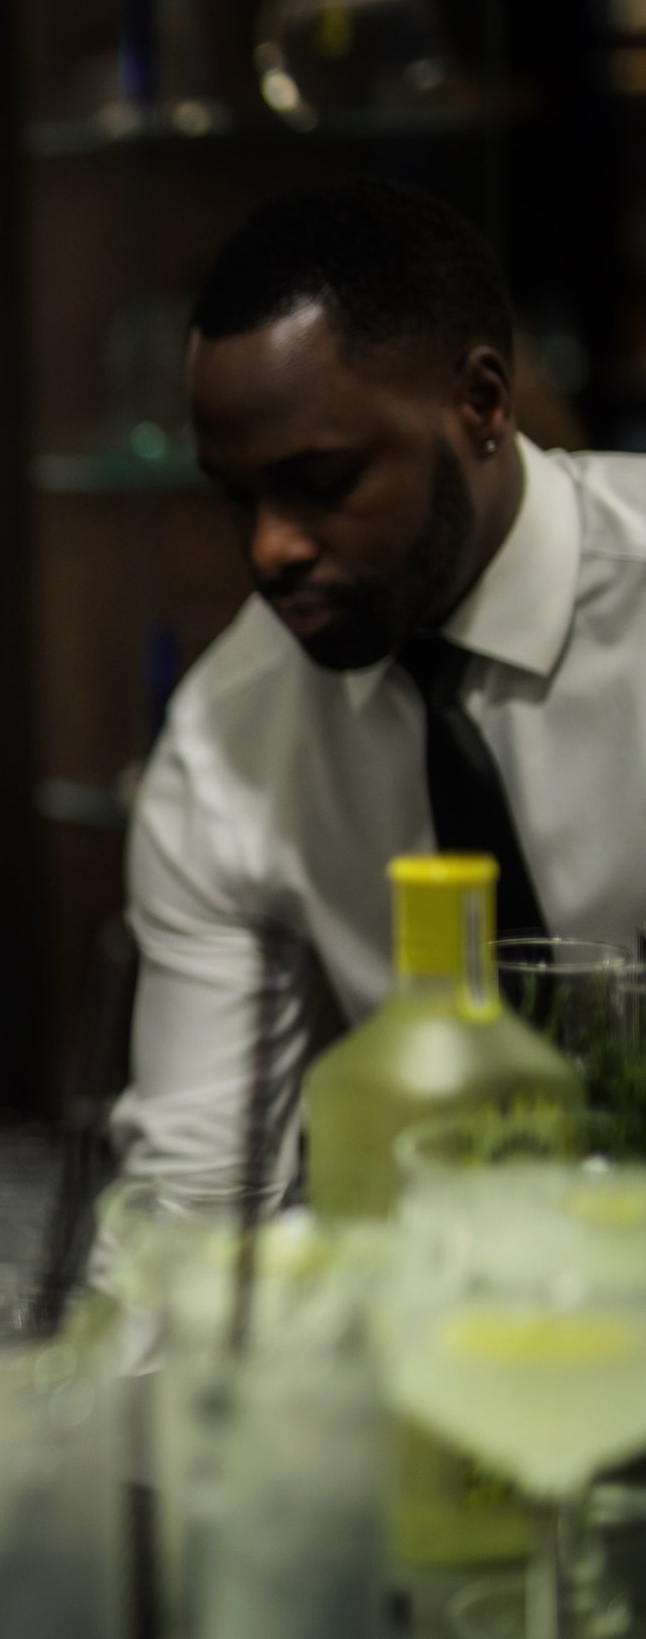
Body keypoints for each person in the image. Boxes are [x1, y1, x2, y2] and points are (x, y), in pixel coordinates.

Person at [113, 178, 646, 1207]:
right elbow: (195, 1198)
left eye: (320, 482)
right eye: (238, 498)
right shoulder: (230, 739)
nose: (268, 548)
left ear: (480, 403)